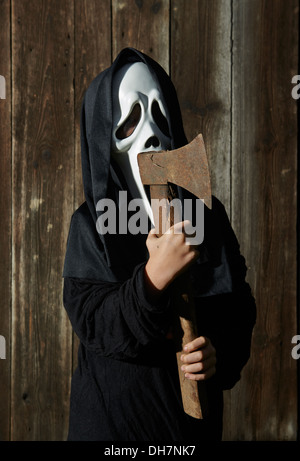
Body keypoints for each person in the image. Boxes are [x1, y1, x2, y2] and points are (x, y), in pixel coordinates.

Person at [62, 47, 256, 441]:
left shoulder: (207, 214)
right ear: (105, 138)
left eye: (158, 113)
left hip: (191, 432)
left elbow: (237, 309)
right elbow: (97, 326)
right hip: (112, 429)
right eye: (130, 120)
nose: (151, 132)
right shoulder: (90, 225)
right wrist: (152, 279)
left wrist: (218, 353)